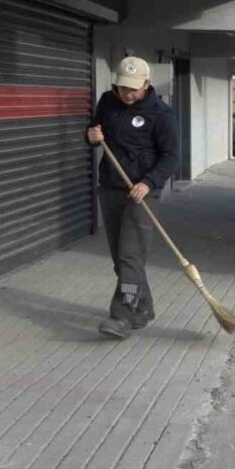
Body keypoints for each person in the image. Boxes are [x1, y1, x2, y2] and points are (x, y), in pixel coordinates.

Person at [86, 56, 179, 338]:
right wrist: (90, 135)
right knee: (122, 258)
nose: (128, 94)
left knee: (130, 255)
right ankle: (145, 307)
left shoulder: (160, 113)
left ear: (147, 84)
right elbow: (94, 131)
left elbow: (171, 157)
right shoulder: (107, 102)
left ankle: (122, 314)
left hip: (141, 194)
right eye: (123, 87)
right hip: (111, 187)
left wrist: (149, 183)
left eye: (133, 89)